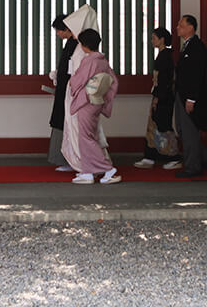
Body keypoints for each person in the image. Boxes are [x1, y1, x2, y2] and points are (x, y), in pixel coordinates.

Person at [62, 29, 121, 184]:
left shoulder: (89, 61)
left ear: (84, 45)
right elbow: (113, 82)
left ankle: (109, 170)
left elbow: (77, 81)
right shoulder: (102, 60)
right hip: (96, 100)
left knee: (86, 138)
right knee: (89, 136)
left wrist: (71, 82)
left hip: (86, 101)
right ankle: (88, 172)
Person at [135, 27, 180, 168]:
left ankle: (174, 156)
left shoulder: (165, 56)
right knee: (154, 126)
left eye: (154, 38)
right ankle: (151, 156)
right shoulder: (162, 55)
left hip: (164, 98)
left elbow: (165, 81)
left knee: (163, 126)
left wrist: (157, 98)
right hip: (160, 96)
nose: (151, 40)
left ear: (162, 40)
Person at [174, 14, 207, 178]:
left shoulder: (197, 47)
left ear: (190, 28)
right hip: (181, 94)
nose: (177, 28)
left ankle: (193, 167)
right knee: (183, 129)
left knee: (189, 132)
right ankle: (203, 158)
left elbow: (197, 74)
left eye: (181, 25)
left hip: (189, 96)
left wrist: (191, 98)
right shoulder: (187, 46)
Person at [46, 14, 79, 173]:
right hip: (64, 89)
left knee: (67, 125)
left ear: (67, 28)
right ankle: (63, 158)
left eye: (59, 30)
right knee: (61, 123)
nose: (58, 34)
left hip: (69, 91)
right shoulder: (70, 44)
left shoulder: (75, 44)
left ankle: (70, 160)